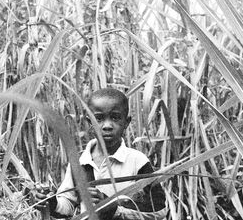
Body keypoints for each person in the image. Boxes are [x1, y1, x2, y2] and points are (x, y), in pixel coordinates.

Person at [35, 88, 166, 219]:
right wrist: (52, 203)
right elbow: (67, 204)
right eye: (98, 118)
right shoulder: (79, 162)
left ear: (126, 122)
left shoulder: (137, 161)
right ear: (89, 123)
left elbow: (160, 211)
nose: (107, 125)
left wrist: (114, 208)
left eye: (115, 118)